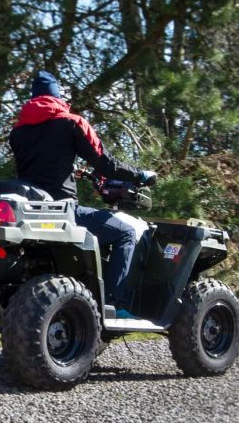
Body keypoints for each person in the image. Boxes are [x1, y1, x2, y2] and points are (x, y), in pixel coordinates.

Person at [8, 70, 157, 318]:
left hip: (32, 212)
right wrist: (139, 175)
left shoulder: (17, 133)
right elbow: (105, 164)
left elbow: (40, 162)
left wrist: (70, 169)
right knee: (126, 234)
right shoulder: (72, 123)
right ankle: (114, 305)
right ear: (57, 96)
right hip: (64, 211)